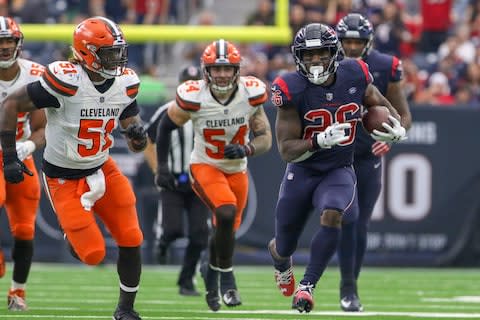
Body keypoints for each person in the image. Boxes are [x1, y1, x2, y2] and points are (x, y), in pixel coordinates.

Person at [0, 16, 146, 320]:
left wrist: (138, 136)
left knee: (132, 237)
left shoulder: (126, 83)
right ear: (86, 52)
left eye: (119, 51)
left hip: (103, 167)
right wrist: (11, 155)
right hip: (63, 177)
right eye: (109, 53)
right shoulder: (66, 80)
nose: (117, 59)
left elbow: (134, 135)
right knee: (93, 255)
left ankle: (125, 310)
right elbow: (11, 104)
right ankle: (72, 237)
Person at [268, 23, 407, 313]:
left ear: (334, 53)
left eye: (321, 54)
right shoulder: (289, 87)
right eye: (308, 55)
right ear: (298, 57)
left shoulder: (354, 72)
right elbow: (285, 150)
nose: (315, 60)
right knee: (284, 244)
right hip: (303, 170)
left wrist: (395, 126)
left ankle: (307, 287)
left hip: (338, 168)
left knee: (334, 214)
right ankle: (281, 262)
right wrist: (317, 140)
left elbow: (378, 102)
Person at [155, 39, 272, 311]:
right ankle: (228, 279)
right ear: (206, 70)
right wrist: (161, 167)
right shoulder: (194, 96)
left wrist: (247, 148)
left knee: (225, 229)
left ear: (236, 70)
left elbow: (265, 137)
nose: (221, 74)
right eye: (215, 69)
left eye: (226, 69)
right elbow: (164, 127)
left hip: (236, 169)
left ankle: (211, 274)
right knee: (226, 211)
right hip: (205, 166)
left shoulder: (250, 94)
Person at [335, 13, 412, 312]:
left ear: (368, 43)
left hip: (366, 156)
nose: (352, 47)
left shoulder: (385, 66)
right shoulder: (324, 65)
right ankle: (333, 284)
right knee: (344, 219)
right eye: (347, 41)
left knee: (359, 224)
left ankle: (349, 286)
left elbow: (403, 115)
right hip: (334, 154)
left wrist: (392, 136)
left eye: (358, 41)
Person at [143, 65, 209, 296]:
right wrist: (158, 170)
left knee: (200, 233)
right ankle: (163, 241)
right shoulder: (167, 110)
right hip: (172, 180)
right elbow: (148, 141)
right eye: (186, 83)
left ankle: (186, 281)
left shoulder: (209, 108)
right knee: (173, 230)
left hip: (200, 182)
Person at [0, 16, 46, 311]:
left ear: (19, 43)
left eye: (9, 41)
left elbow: (44, 125)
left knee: (25, 230)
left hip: (21, 152)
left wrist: (27, 145)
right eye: (0, 42)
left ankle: (18, 292)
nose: (4, 47)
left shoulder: (35, 74)